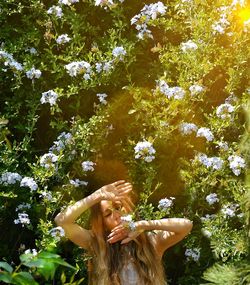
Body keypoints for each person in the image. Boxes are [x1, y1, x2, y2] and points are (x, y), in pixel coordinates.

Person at [55, 180, 193, 285]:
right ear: (103, 224)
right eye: (108, 214)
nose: (116, 215)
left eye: (118, 207)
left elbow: (186, 225)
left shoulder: (151, 241)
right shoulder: (97, 243)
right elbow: (62, 221)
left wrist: (144, 225)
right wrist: (96, 196)